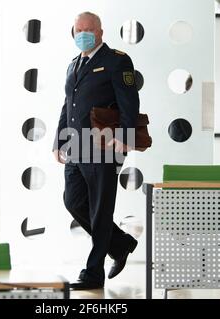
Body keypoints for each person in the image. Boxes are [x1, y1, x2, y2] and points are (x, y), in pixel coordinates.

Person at [52, 12, 139, 290]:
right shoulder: (73, 64)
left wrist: (126, 135)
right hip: (76, 147)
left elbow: (129, 100)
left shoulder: (116, 60)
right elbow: (68, 104)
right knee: (73, 201)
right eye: (79, 30)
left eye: (89, 29)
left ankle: (93, 274)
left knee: (101, 211)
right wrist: (59, 140)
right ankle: (120, 243)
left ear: (100, 32)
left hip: (105, 147)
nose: (83, 34)